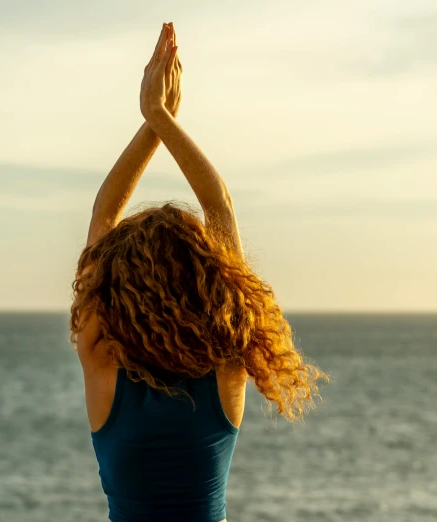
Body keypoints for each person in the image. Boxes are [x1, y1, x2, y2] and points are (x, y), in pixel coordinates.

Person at [70, 23, 329, 522]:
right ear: (211, 281)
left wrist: (154, 119)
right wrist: (162, 117)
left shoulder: (100, 356)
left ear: (117, 285)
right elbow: (219, 206)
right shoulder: (228, 364)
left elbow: (103, 218)